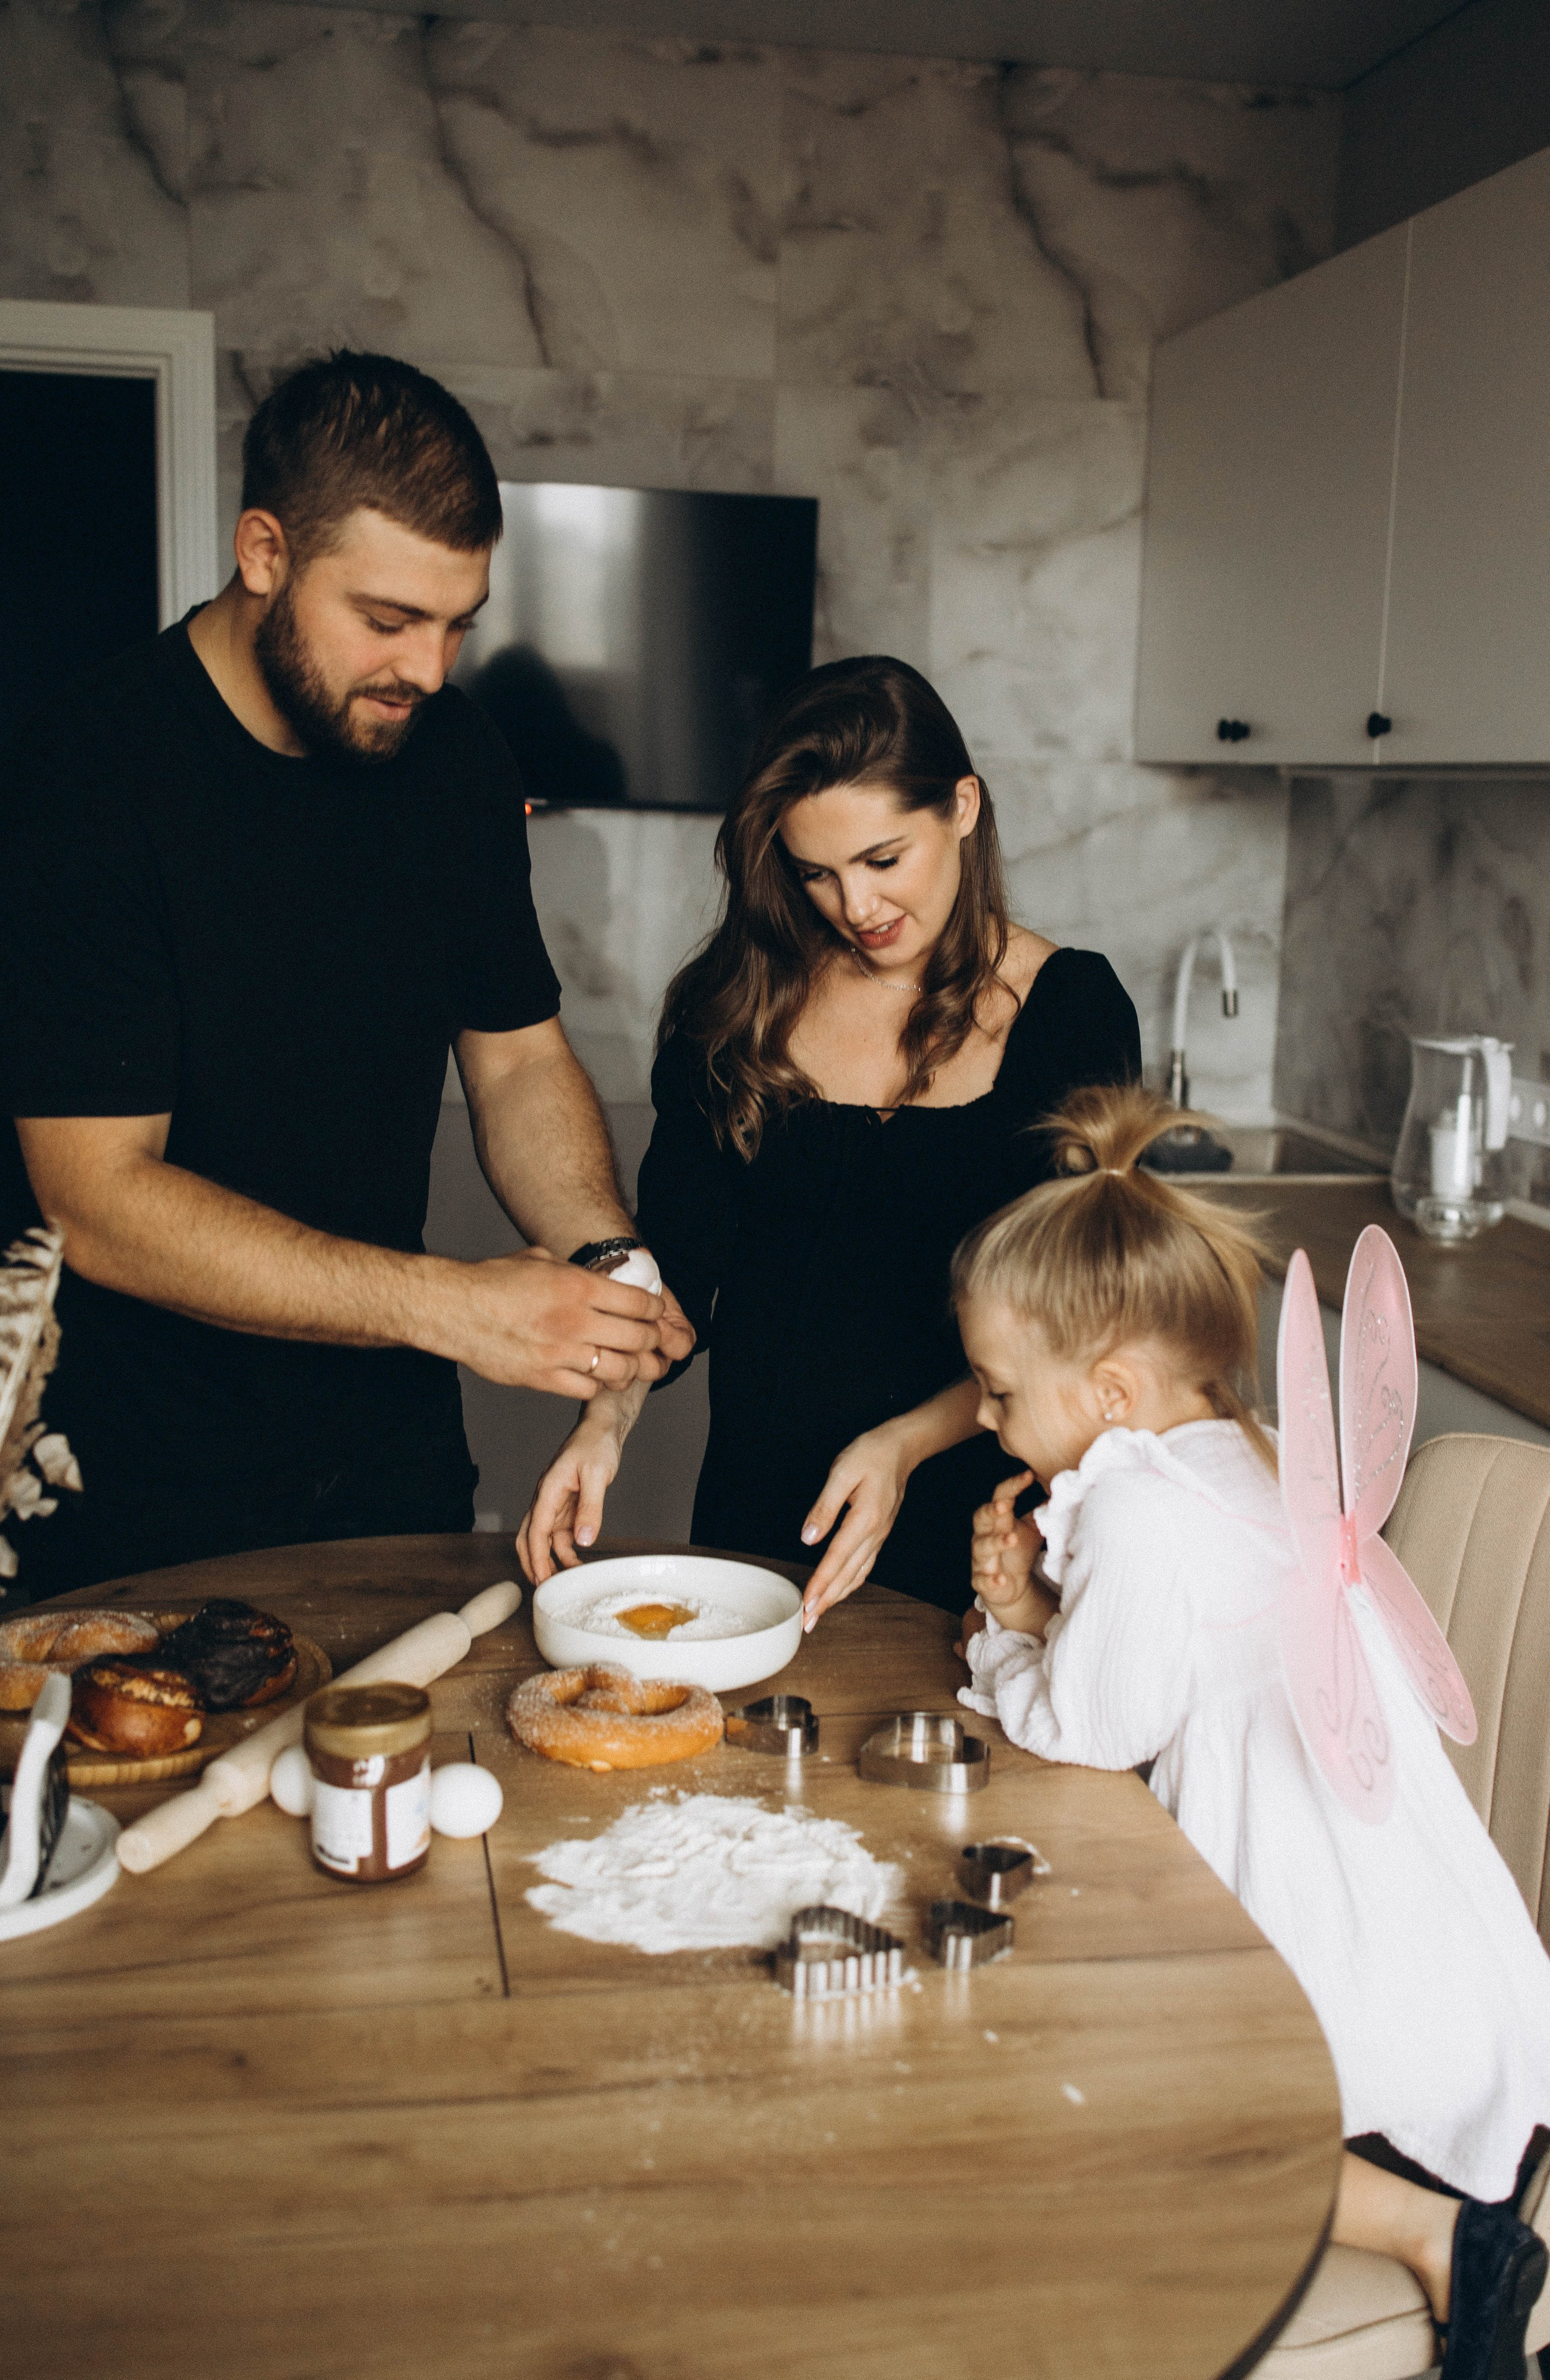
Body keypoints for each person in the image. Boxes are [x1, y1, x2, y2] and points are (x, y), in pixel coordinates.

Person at [0, 350, 690, 1598]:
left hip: (388, 1464)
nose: (430, 668)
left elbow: (517, 1060)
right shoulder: (84, 778)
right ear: (265, 553)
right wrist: (454, 1309)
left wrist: (605, 1262)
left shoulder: (455, 754)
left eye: (458, 623)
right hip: (134, 1480)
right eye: (388, 620)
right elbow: (98, 1197)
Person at [954, 1080, 1550, 2376]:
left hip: (1331, 1979)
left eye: (997, 1392)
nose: (985, 1420)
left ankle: (1444, 2240)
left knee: (1135, 2096)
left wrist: (997, 1642)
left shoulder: (1130, 1510)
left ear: (1110, 1391)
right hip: (1435, 1950)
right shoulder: (1252, 1447)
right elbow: (1176, 1654)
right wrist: (1038, 1604)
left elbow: (1095, 1727)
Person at [517, 655, 1140, 1618]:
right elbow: (676, 1276)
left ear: (962, 807)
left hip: (986, 1533)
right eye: (817, 873)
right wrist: (605, 1419)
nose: (857, 908)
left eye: (883, 860)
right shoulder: (735, 1006)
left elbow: (1078, 1311)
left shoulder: (1072, 1013)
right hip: (761, 1521)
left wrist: (902, 1447)